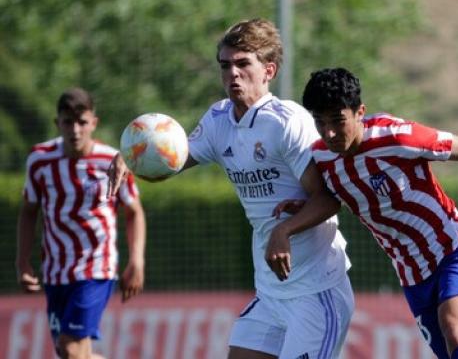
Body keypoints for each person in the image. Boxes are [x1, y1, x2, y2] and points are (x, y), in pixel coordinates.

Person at [267, 67, 458, 359]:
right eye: (320, 122)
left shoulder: (397, 137)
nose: (330, 132)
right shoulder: (322, 156)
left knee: (455, 326)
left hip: (456, 250)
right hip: (413, 275)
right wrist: (293, 220)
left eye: (338, 120)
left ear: (359, 112)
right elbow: (332, 199)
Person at [108, 19, 354, 359]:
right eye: (226, 66)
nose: (233, 74)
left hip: (316, 292)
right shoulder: (217, 121)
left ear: (268, 71)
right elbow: (170, 164)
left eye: (243, 64)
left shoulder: (286, 122)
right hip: (271, 293)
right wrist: (133, 156)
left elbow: (328, 198)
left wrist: (284, 230)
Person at [16, 87, 146, 359]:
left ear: (93, 123)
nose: (75, 130)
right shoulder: (40, 160)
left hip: (96, 268)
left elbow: (133, 211)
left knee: (71, 348)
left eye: (82, 122)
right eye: (67, 122)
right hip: (55, 270)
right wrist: (22, 261)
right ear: (57, 123)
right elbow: (29, 210)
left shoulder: (112, 161)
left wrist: (136, 261)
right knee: (75, 354)